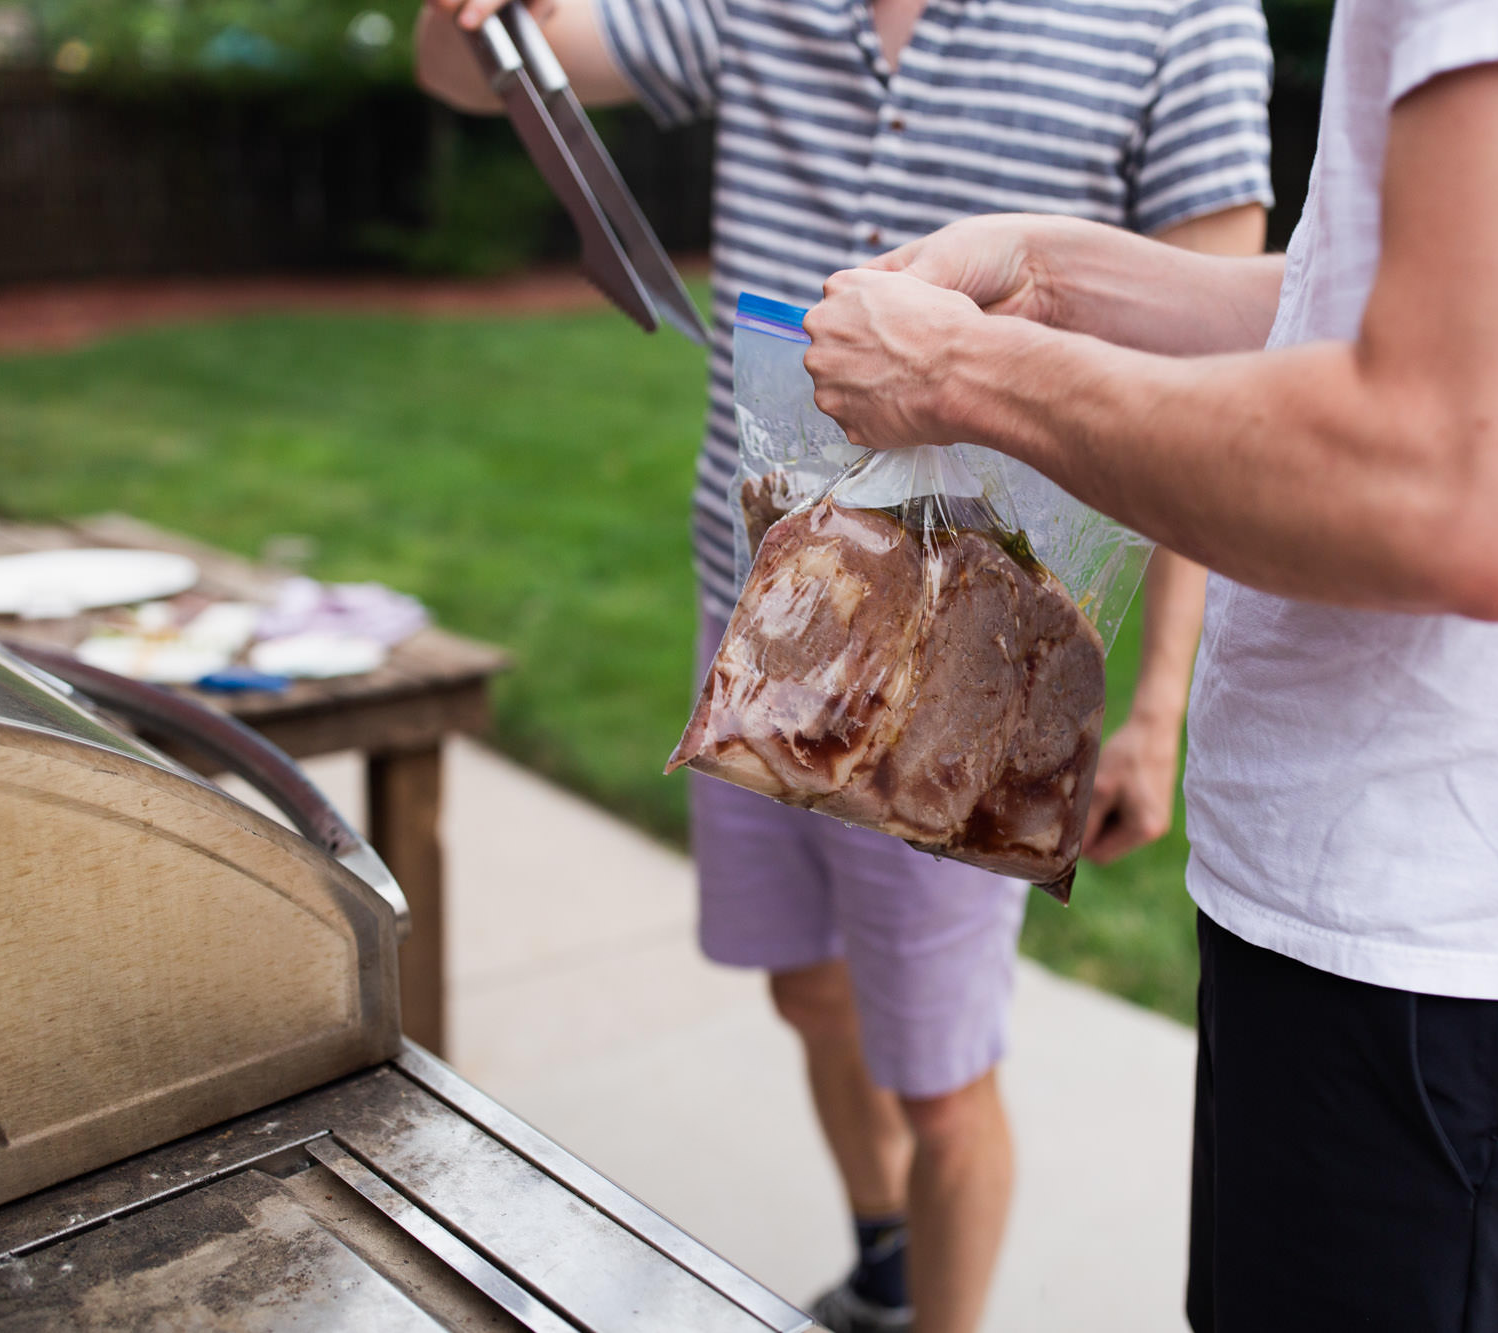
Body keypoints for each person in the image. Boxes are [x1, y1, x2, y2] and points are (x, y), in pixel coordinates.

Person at [800, 0, 1498, 1328]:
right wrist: (1055, 275)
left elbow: (1450, 473)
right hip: (1488, 925)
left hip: (1463, 951)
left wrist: (969, 375)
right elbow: (1411, 311)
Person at [415, 0, 1275, 1327]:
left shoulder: (1185, 19)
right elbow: (469, 73)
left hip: (978, 666)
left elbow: (1223, 389)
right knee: (807, 987)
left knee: (938, 1071)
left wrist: (1158, 705)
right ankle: (884, 1267)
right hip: (760, 611)